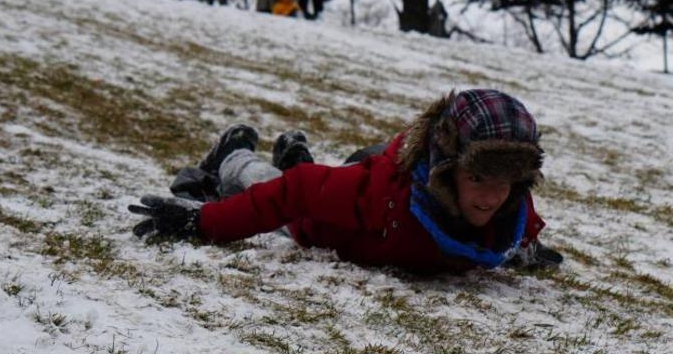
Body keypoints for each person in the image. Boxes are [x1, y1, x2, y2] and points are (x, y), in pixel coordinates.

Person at [128, 89, 563, 273]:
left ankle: (295, 149)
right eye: (478, 177)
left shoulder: (509, 205)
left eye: (506, 183)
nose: (491, 196)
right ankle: (234, 154)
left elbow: (520, 222)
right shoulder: (383, 196)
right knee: (271, 182)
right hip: (311, 221)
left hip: (352, 181)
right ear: (445, 169)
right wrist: (203, 222)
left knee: (313, 176)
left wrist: (525, 248)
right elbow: (296, 192)